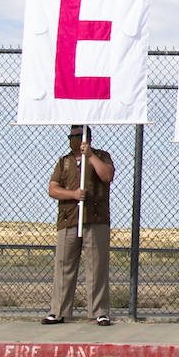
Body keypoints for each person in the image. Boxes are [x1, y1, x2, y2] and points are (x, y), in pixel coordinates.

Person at [44, 125, 115, 326]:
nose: (73, 139)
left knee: (96, 265)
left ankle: (99, 311)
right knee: (64, 265)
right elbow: (53, 189)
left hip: (95, 217)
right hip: (69, 219)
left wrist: (90, 155)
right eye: (71, 136)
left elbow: (107, 176)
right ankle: (58, 310)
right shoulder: (64, 162)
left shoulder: (102, 156)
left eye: (78, 136)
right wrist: (73, 195)